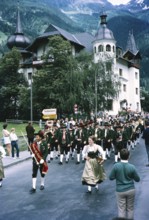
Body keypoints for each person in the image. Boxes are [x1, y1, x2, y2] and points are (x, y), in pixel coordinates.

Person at [109, 148, 140, 220]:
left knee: (121, 209)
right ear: (129, 156)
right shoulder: (132, 167)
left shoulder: (116, 166)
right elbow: (137, 179)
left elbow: (111, 177)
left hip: (120, 190)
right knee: (130, 208)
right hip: (130, 189)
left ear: (119, 156)